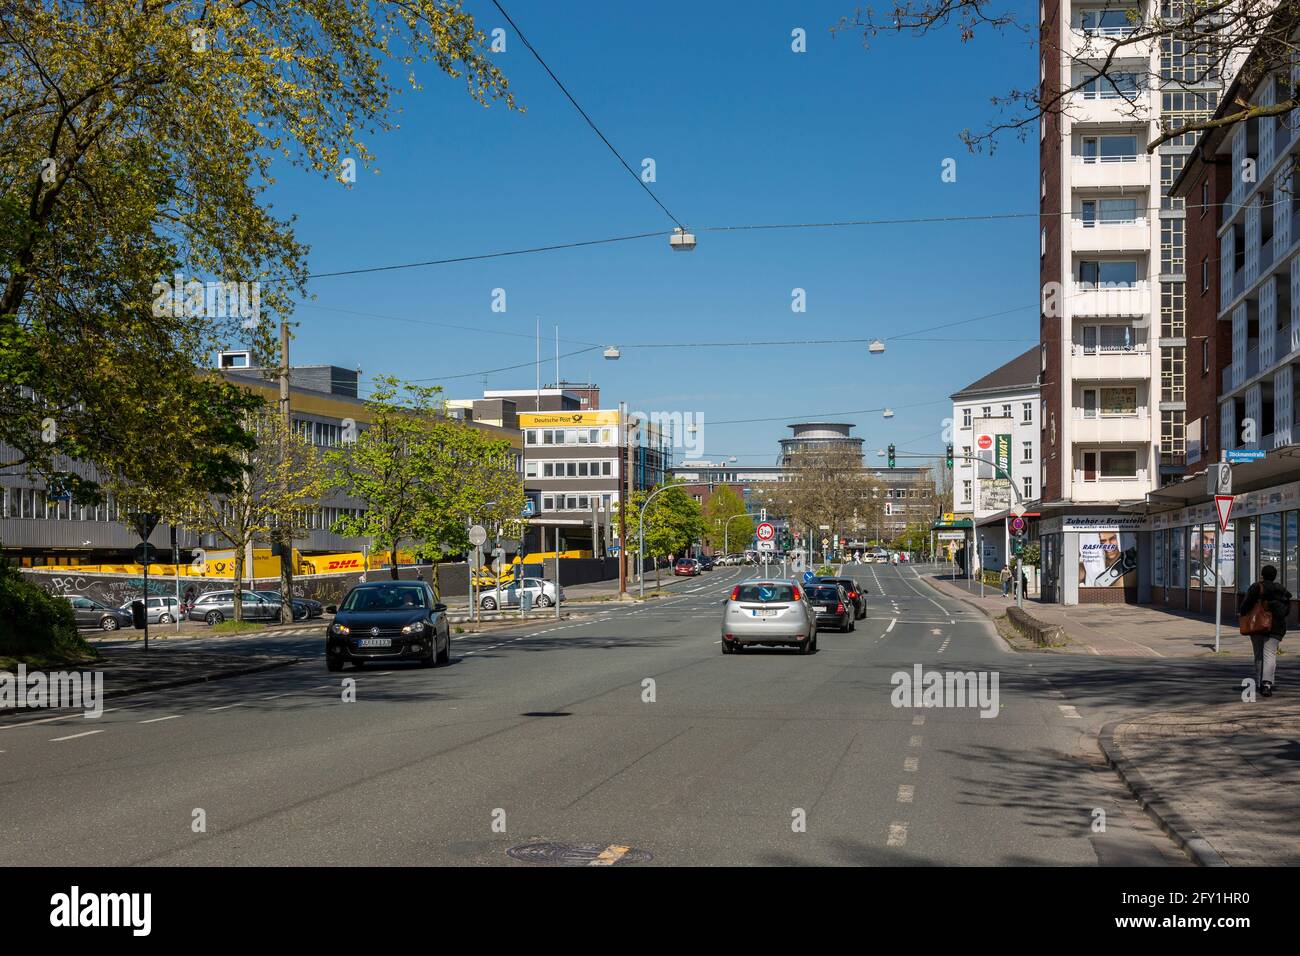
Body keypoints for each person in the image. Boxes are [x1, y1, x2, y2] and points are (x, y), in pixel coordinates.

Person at [1238, 564, 1290, 697]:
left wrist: (1242, 613)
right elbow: (1286, 610)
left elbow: (1246, 605)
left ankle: (1260, 682)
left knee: (1259, 654)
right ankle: (1267, 684)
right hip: (1276, 627)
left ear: (1262, 574)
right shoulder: (1282, 590)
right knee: (1270, 655)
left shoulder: (1257, 587)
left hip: (1257, 625)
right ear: (1275, 576)